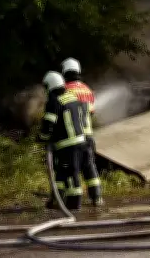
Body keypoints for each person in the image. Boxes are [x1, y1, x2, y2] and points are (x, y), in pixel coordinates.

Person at [37, 71, 87, 211]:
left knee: (70, 173)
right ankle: (57, 200)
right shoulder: (71, 96)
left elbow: (49, 123)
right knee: (62, 173)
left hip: (67, 144)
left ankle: (73, 204)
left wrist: (42, 137)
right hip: (79, 141)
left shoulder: (54, 100)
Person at [61, 57, 103, 207]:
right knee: (90, 167)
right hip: (89, 135)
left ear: (64, 72)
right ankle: (96, 197)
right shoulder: (87, 89)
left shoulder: (66, 89)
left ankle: (73, 201)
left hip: (73, 136)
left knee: (73, 169)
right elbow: (91, 112)